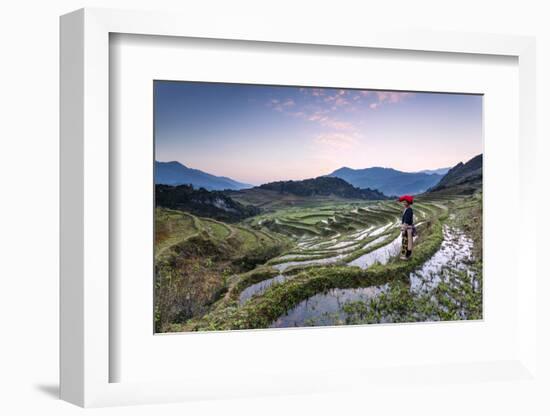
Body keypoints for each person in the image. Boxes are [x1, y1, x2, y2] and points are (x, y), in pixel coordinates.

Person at [398, 195, 414, 260]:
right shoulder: (407, 209)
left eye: (405, 202)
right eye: (403, 202)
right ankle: (406, 255)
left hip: (407, 229)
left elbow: (406, 221)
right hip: (407, 229)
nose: (404, 203)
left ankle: (407, 256)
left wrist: (403, 229)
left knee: (407, 242)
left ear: (408, 203)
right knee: (406, 242)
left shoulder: (409, 210)